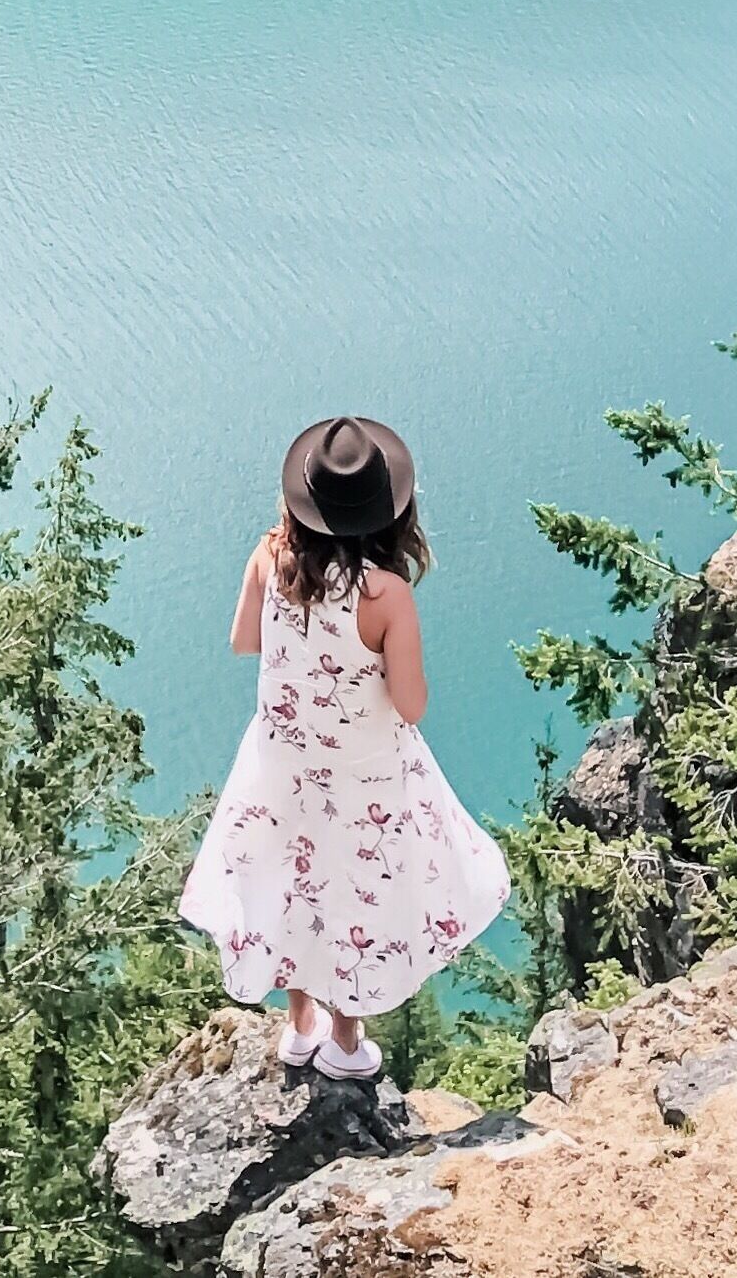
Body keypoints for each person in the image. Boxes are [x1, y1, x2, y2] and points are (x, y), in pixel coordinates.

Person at [177, 413, 512, 1080]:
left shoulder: (269, 555)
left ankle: (298, 1026)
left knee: (292, 882)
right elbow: (412, 704)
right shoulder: (385, 593)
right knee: (354, 893)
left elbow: (246, 641)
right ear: (389, 513)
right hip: (361, 776)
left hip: (279, 765)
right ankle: (346, 1043)